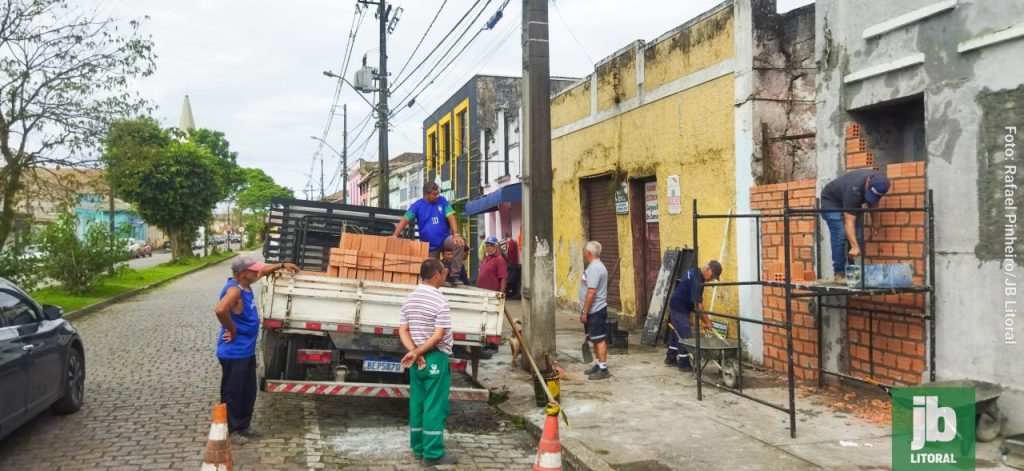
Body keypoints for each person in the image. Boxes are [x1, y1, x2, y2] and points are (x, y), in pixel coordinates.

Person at [214, 255, 299, 444]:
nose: (257, 272)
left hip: (246, 352)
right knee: (233, 392)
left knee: (248, 391)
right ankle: (231, 430)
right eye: (252, 270)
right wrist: (232, 329)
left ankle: (243, 425)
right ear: (243, 273)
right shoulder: (235, 291)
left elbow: (263, 271)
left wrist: (283, 265)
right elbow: (220, 310)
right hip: (234, 353)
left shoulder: (246, 284)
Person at [399, 258, 458, 467]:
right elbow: (439, 334)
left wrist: (413, 352)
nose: (445, 276)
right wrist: (420, 351)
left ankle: (418, 448)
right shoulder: (440, 299)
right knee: (434, 405)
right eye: (443, 273)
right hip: (434, 357)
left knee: (418, 403)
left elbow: (403, 330)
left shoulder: (409, 298)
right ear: (436, 275)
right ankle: (432, 454)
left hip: (417, 359)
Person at [820, 169, 890, 282]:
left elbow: (874, 202)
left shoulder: (880, 182)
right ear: (868, 182)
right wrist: (854, 246)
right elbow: (849, 221)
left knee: (858, 236)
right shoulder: (855, 188)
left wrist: (875, 222)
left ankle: (855, 274)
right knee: (840, 234)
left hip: (850, 200)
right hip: (831, 202)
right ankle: (840, 273)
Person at [392, 182, 466, 285]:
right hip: (430, 245)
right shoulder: (417, 205)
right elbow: (405, 219)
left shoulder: (442, 201)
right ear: (426, 194)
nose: (437, 196)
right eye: (434, 194)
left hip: (445, 239)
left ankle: (455, 277)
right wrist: (395, 236)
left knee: (459, 243)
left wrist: (456, 234)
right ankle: (441, 281)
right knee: (430, 269)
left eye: (438, 193)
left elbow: (451, 216)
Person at [665, 261, 723, 370]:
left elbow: (696, 305)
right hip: (679, 307)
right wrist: (707, 321)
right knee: (686, 335)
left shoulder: (695, 272)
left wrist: (705, 320)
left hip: (681, 305)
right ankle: (684, 364)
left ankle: (670, 357)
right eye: (712, 276)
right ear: (707, 269)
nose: (712, 279)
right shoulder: (697, 280)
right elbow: (698, 305)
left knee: (676, 333)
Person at [579, 240, 611, 380]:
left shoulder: (595, 268)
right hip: (594, 310)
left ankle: (603, 368)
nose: (584, 253)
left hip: (595, 310)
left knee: (599, 339)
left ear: (589, 253)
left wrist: (584, 312)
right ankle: (598, 364)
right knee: (594, 338)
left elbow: (592, 292)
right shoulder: (595, 266)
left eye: (585, 250)